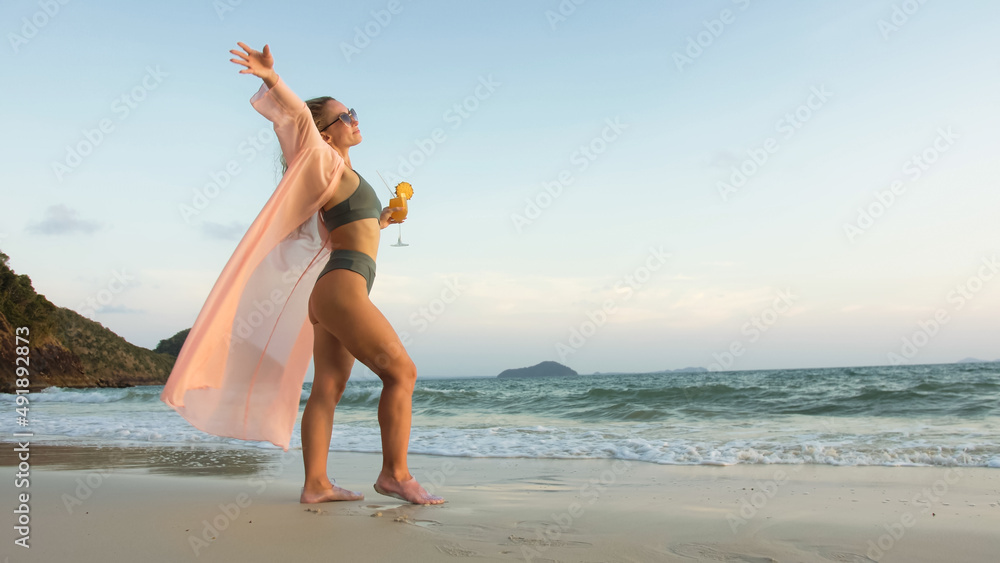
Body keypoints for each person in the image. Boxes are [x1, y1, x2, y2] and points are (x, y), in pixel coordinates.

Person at [228, 42, 444, 505]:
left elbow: (345, 229)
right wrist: (272, 79)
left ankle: (316, 484)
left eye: (353, 112)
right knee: (402, 373)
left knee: (329, 387)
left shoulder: (338, 177)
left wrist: (382, 219)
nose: (354, 120)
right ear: (325, 134)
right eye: (344, 116)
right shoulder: (324, 160)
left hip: (332, 291)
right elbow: (300, 122)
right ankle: (394, 474)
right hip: (342, 288)